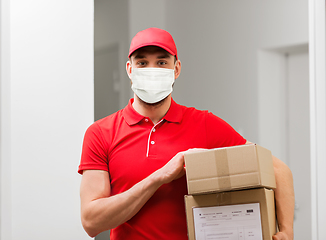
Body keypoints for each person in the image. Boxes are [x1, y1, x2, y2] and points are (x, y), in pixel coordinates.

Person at [78, 27, 294, 240]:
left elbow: (277, 169)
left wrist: (286, 231)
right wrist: (159, 177)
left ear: (177, 69)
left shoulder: (205, 124)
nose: (152, 70)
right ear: (129, 69)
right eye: (142, 63)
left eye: (162, 62)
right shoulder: (100, 133)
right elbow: (91, 222)